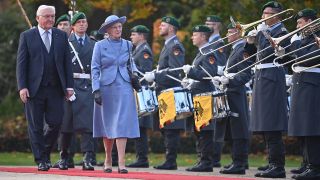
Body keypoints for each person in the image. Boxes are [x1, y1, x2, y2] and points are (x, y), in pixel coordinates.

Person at [16, 5, 74, 171]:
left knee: (56, 123)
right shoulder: (27, 36)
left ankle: (45, 152)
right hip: (34, 89)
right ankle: (41, 160)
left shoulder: (61, 36)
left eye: (52, 16)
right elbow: (21, 64)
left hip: (56, 88)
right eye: (46, 16)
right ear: (37, 18)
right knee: (35, 126)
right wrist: (22, 87)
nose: (50, 19)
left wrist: (69, 86)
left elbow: (66, 64)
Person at [244, 1, 289, 178]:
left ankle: (278, 166)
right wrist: (249, 41)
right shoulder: (263, 30)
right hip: (262, 78)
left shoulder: (282, 31)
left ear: (276, 15)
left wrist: (266, 35)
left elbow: (284, 55)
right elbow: (247, 56)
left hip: (272, 77)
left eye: (267, 13)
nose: (263, 17)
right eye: (263, 13)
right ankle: (272, 163)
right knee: (264, 124)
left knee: (272, 125)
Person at [91, 15, 140, 174]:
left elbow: (131, 64)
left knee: (122, 123)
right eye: (115, 27)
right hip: (106, 87)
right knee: (108, 123)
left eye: (120, 26)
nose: (118, 29)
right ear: (108, 30)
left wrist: (135, 77)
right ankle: (108, 158)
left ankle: (121, 162)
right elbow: (95, 68)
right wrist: (95, 89)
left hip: (124, 86)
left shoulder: (128, 44)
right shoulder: (99, 45)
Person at [54, 12, 96, 171]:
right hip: (69, 86)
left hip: (87, 85)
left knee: (87, 126)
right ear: (73, 26)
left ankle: (88, 158)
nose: (82, 24)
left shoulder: (93, 44)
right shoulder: (65, 42)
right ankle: (64, 156)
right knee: (66, 124)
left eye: (84, 22)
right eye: (78, 22)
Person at [144, 16, 185, 170]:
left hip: (170, 92)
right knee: (166, 129)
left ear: (172, 28)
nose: (160, 27)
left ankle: (171, 161)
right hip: (164, 91)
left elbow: (174, 72)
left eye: (163, 25)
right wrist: (157, 75)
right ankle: (169, 159)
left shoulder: (175, 46)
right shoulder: (167, 45)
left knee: (171, 129)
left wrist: (156, 75)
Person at [286, 9, 320, 180]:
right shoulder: (304, 38)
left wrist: (294, 44)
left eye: (300, 23)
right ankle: (307, 164)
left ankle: (315, 167)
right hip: (302, 83)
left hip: (312, 84)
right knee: (303, 128)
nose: (297, 26)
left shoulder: (316, 37)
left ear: (309, 21)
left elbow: (307, 58)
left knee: (311, 127)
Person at [214, 23, 251, 175]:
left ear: (239, 33)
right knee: (231, 130)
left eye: (231, 32)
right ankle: (235, 161)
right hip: (230, 93)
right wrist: (222, 78)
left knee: (238, 130)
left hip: (237, 93)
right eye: (228, 31)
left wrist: (230, 80)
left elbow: (246, 74)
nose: (228, 35)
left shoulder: (242, 49)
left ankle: (240, 164)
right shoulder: (235, 49)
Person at [182, 25, 217, 172]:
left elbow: (209, 74)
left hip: (204, 96)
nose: (192, 37)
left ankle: (206, 162)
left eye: (195, 34)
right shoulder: (201, 52)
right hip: (198, 94)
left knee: (205, 130)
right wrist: (190, 81)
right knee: (199, 130)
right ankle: (201, 160)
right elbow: (200, 75)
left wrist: (191, 72)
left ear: (203, 37)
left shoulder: (208, 52)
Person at [126, 25, 153, 168]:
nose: (131, 37)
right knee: (138, 127)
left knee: (141, 127)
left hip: (141, 91)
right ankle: (140, 157)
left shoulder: (144, 51)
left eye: (134, 34)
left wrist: (130, 71)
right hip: (137, 91)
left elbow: (145, 72)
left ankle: (142, 158)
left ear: (141, 36)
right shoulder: (138, 50)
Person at [204, 15, 227, 167]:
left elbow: (221, 65)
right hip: (208, 85)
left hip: (216, 85)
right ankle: (210, 157)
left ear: (217, 26)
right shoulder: (208, 42)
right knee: (211, 123)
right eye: (205, 23)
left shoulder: (218, 42)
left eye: (210, 24)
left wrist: (214, 73)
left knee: (217, 125)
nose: (207, 26)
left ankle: (215, 158)